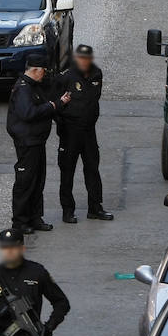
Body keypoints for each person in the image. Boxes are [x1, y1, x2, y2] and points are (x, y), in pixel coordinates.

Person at [8, 53, 70, 232]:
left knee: (37, 181)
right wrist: (53, 106)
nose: (45, 74)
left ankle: (35, 218)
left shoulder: (34, 86)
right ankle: (20, 222)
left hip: (37, 141)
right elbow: (28, 113)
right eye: (44, 70)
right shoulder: (23, 89)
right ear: (35, 70)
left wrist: (57, 104)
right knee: (25, 182)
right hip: (27, 142)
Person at [56, 45, 113, 224]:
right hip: (70, 131)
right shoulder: (66, 76)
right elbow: (56, 103)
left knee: (92, 169)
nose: (83, 61)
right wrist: (62, 125)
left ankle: (95, 207)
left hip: (88, 131)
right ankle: (67, 211)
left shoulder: (96, 74)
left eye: (86, 58)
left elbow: (94, 99)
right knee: (67, 172)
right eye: (80, 58)